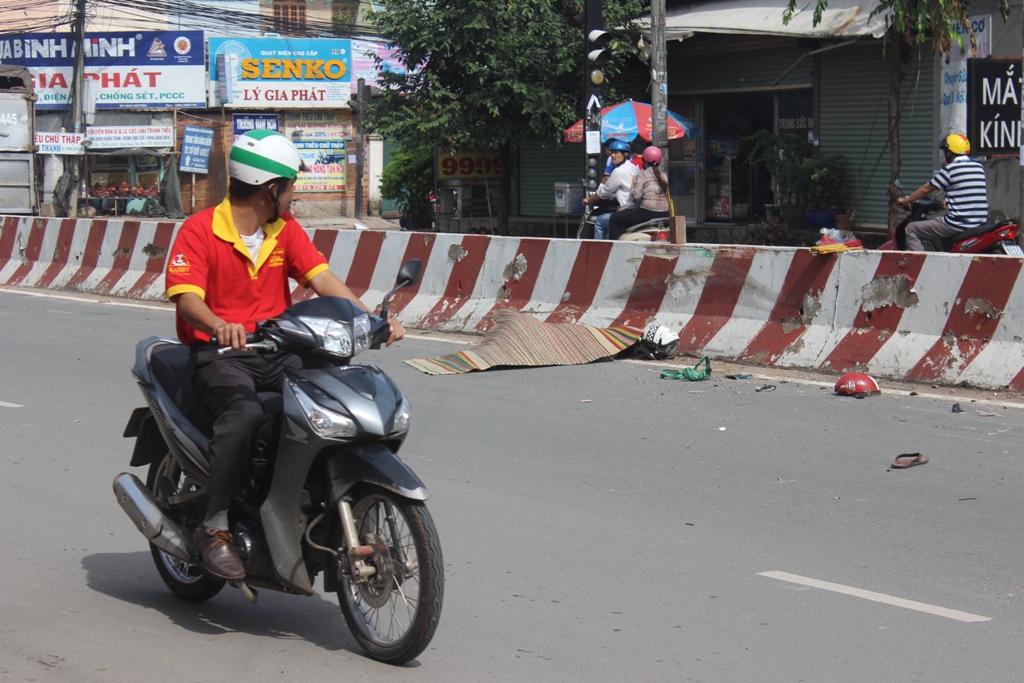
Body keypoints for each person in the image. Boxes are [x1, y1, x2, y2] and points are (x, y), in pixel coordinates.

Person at [164, 130, 405, 580]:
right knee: (243, 415)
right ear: (271, 189)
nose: (294, 194)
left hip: (278, 351)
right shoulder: (199, 230)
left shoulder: (283, 229)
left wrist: (372, 317)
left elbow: (322, 279)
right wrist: (219, 324)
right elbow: (185, 298)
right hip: (220, 355)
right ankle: (214, 527)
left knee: (326, 405)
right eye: (291, 185)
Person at [897, 133, 988, 251]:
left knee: (911, 229)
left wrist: (906, 200)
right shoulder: (978, 167)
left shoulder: (950, 169)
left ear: (950, 151)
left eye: (946, 150)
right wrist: (947, 202)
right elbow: (966, 191)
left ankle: (922, 266)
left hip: (958, 223)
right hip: (979, 221)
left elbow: (927, 189)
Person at [608, 146, 671, 240]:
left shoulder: (642, 175)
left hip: (647, 213)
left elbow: (635, 198)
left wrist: (633, 185)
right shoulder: (664, 176)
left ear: (644, 160)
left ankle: (613, 246)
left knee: (614, 218)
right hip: (665, 213)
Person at [583, 139, 639, 239]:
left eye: (616, 153)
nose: (612, 155)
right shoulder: (634, 168)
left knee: (600, 221)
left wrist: (590, 200)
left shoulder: (618, 171)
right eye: (612, 152)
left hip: (628, 211)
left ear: (625, 154)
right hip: (636, 210)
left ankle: (600, 251)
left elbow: (604, 191)